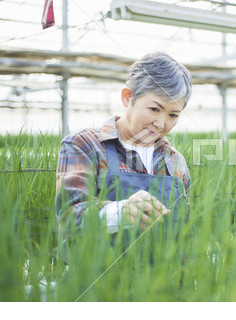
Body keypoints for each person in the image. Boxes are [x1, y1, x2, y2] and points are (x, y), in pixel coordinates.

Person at [56, 52, 192, 238]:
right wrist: (120, 212)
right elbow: (69, 217)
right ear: (128, 97)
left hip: (167, 267)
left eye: (173, 115)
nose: (161, 124)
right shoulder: (86, 145)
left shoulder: (175, 160)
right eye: (154, 109)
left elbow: (185, 231)